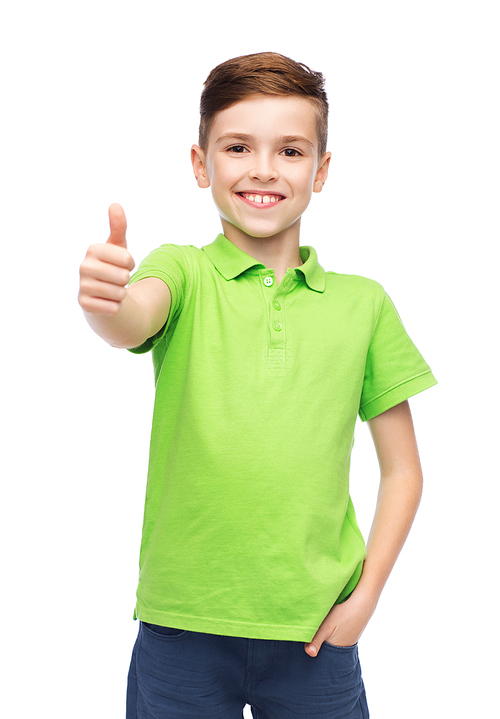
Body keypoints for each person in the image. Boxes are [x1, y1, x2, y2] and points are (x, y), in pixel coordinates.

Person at [78, 52, 437, 719]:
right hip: (180, 626)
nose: (264, 169)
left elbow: (404, 470)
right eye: (238, 146)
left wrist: (366, 599)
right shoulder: (181, 270)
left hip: (315, 634)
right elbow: (133, 318)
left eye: (291, 150)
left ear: (321, 170)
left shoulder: (364, 305)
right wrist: (105, 304)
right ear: (200, 163)